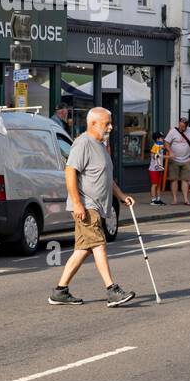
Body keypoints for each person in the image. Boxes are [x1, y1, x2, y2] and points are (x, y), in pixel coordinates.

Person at [48, 107, 136, 307]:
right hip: (87, 206)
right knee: (98, 244)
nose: (111, 127)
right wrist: (78, 203)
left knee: (83, 249)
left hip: (96, 206)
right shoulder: (83, 143)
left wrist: (122, 197)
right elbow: (70, 172)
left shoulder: (100, 146)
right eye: (107, 123)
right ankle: (112, 290)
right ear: (94, 123)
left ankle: (60, 291)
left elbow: (106, 178)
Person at [164, 116, 190, 206]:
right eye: (180, 126)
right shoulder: (173, 131)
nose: (181, 128)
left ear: (187, 126)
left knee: (185, 180)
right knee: (174, 180)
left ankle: (186, 199)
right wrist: (170, 152)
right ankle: (174, 199)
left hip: (186, 159)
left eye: (183, 127)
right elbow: (166, 142)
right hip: (174, 159)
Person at [148, 131, 167, 205]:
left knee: (158, 184)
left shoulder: (160, 146)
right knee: (154, 184)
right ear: (157, 139)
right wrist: (165, 156)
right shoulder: (155, 146)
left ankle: (158, 198)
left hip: (159, 168)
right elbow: (154, 156)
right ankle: (153, 200)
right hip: (154, 169)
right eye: (161, 138)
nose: (163, 139)